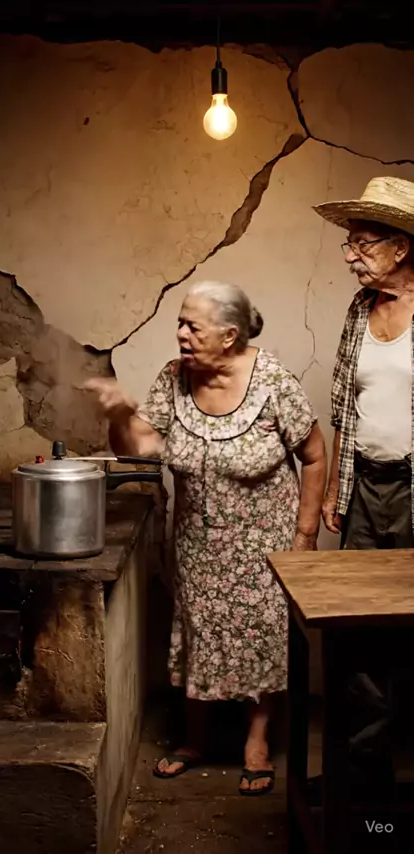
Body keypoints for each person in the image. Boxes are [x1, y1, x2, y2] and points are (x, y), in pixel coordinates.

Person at [85, 280, 326, 795]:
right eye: (180, 322)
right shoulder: (173, 377)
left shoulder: (273, 381)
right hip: (198, 540)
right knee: (199, 632)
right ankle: (195, 738)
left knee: (261, 636)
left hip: (264, 545)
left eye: (193, 326)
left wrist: (305, 536)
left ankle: (257, 743)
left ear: (229, 336)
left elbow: (313, 455)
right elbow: (139, 447)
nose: (181, 334)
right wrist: (121, 415)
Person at [313, 176, 414, 795]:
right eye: (348, 242)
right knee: (359, 630)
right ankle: (365, 778)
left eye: (362, 243)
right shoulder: (359, 309)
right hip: (365, 490)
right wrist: (335, 490)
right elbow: (344, 407)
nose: (350, 255)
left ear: (400, 247)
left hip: (412, 491)